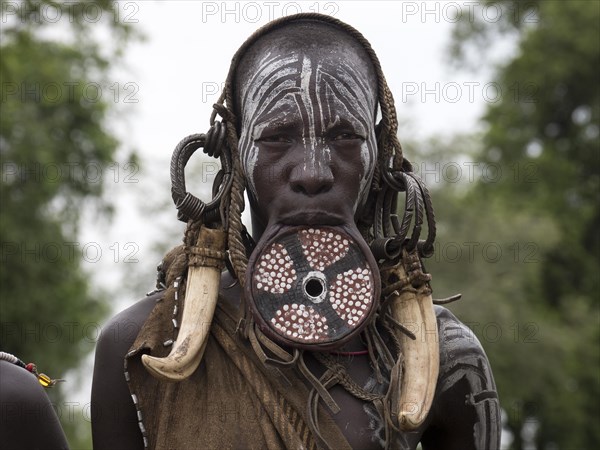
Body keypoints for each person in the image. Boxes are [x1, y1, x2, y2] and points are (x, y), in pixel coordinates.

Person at [91, 14, 500, 449]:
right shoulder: (141, 346)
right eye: (277, 138)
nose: (312, 172)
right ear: (234, 154)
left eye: (344, 136)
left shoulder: (448, 358)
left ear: (380, 158)